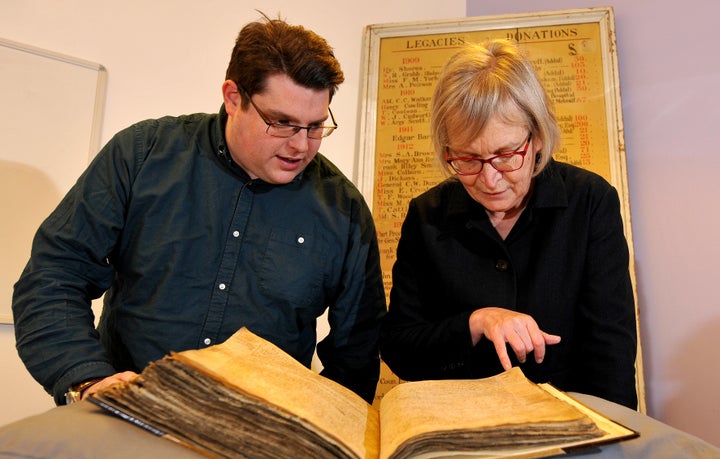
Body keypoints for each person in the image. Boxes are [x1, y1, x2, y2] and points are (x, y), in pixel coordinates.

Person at [12, 14, 386, 406]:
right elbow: (52, 278)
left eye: (315, 126)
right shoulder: (142, 155)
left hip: (259, 448)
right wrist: (88, 380)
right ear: (233, 97)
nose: (300, 145)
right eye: (282, 123)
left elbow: (357, 353)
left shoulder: (342, 210)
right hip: (124, 423)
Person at [378, 40, 638, 409]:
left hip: (569, 432)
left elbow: (611, 352)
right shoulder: (427, 215)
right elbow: (400, 348)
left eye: (505, 156)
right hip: (462, 432)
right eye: (467, 158)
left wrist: (613, 448)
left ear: (537, 138)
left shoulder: (590, 202)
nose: (489, 179)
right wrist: (476, 321)